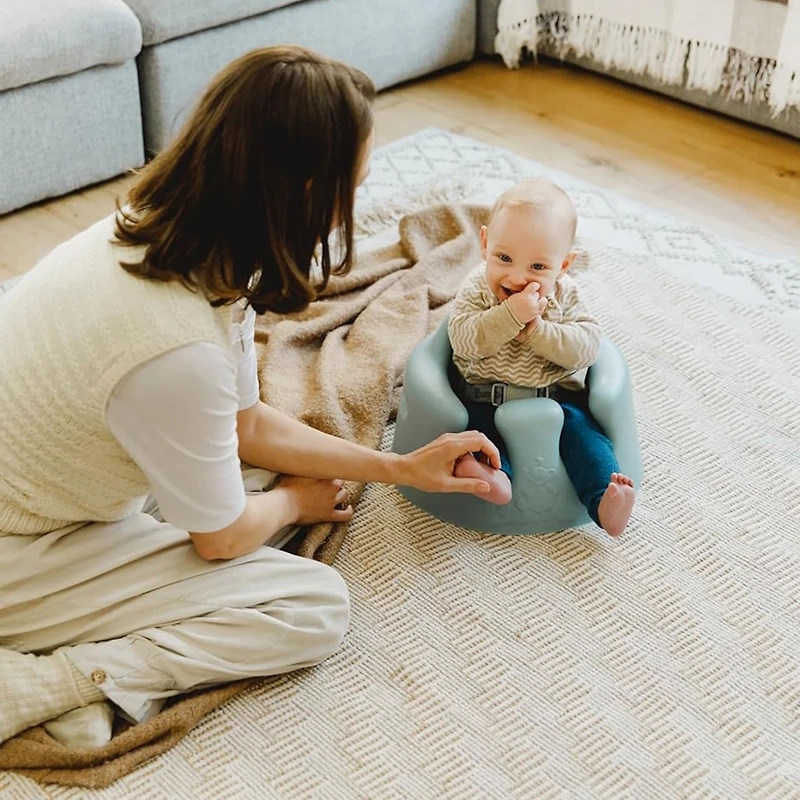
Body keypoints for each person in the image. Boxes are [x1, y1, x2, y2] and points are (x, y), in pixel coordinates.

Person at [0, 45, 500, 748]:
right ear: (298, 194)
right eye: (348, 188)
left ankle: (82, 660)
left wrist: (400, 465)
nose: (350, 208)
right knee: (312, 607)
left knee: (256, 470)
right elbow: (221, 537)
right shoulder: (173, 346)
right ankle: (58, 682)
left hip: (56, 481)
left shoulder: (174, 238)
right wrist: (295, 503)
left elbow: (243, 424)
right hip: (19, 553)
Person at [448, 177, 636, 535]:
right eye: (504, 258)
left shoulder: (566, 295)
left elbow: (588, 346)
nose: (518, 277)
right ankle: (494, 478)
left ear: (563, 265)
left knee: (588, 443)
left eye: (537, 267)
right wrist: (509, 316)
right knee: (476, 438)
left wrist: (538, 332)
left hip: (558, 400)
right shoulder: (476, 288)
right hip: (485, 397)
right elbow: (463, 341)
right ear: (485, 244)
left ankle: (605, 502)